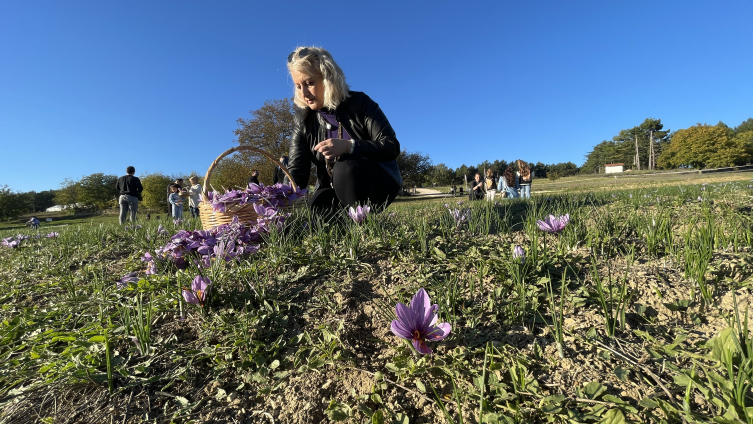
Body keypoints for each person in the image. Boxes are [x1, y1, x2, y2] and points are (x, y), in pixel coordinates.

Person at [286, 46, 402, 215]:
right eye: (298, 86)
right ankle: (348, 223)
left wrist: (350, 147)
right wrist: (276, 197)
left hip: (378, 181)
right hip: (332, 186)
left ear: (328, 78)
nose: (304, 93)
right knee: (318, 207)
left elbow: (391, 146)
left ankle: (364, 225)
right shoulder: (303, 119)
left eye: (309, 83)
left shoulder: (360, 102)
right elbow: (297, 169)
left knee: (345, 167)